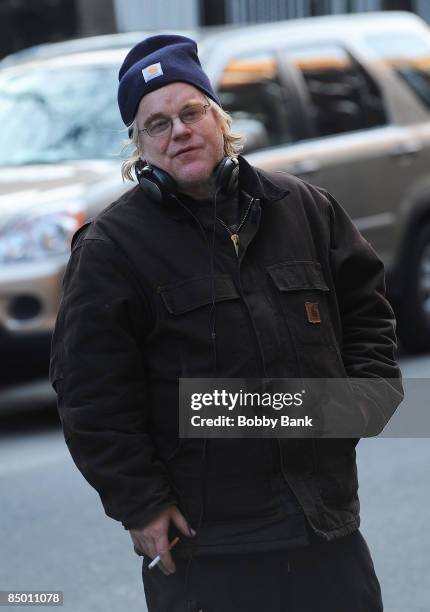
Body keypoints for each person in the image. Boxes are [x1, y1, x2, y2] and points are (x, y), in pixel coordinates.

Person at [50, 34, 403, 612]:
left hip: (327, 531)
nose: (179, 131)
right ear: (138, 147)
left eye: (191, 112)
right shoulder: (111, 249)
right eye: (156, 124)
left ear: (219, 119)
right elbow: (90, 394)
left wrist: (363, 401)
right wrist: (139, 503)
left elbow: (368, 312)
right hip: (207, 554)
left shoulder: (305, 208)